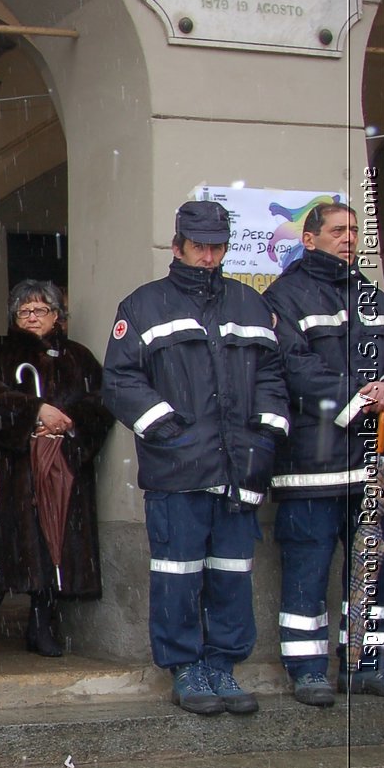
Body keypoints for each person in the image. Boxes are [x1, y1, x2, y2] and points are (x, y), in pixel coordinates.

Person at [103, 200, 289, 716]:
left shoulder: (250, 306)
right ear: (178, 245)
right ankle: (186, 668)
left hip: (240, 470)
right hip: (178, 472)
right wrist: (168, 429)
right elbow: (119, 381)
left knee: (232, 575)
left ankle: (223, 667)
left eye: (217, 247)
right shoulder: (144, 305)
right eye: (200, 247)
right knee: (178, 576)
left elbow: (273, 377)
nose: (209, 257)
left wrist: (265, 438)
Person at [263, 202, 384, 704]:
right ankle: (308, 668)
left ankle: (362, 664)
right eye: (338, 230)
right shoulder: (284, 297)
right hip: (310, 467)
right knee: (307, 573)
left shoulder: (373, 298)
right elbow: (293, 367)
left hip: (370, 467)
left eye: (356, 230)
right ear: (309, 240)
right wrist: (360, 395)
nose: (349, 238)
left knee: (370, 571)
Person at [0, 281, 114, 657]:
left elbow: (101, 405)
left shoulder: (79, 358)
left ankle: (42, 624)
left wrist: (66, 424)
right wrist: (33, 412)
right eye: (24, 311)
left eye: (41, 310)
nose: (32, 317)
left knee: (54, 545)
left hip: (61, 467)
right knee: (0, 548)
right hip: (9, 468)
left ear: (58, 317)